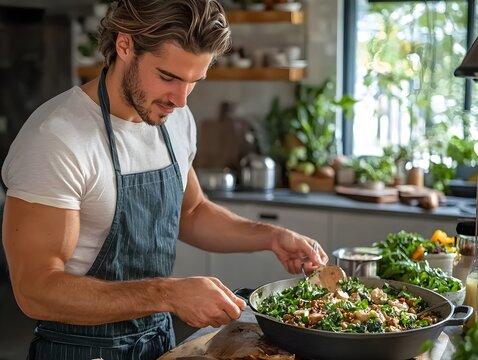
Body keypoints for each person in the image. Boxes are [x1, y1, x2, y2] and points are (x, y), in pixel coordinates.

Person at [1, 0, 328, 358]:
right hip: (80, 350)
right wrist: (167, 294)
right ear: (124, 45)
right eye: (168, 77)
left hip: (158, 341)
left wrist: (272, 237)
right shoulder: (58, 138)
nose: (180, 99)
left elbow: (191, 213)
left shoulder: (174, 119)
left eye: (194, 82)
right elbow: (35, 289)